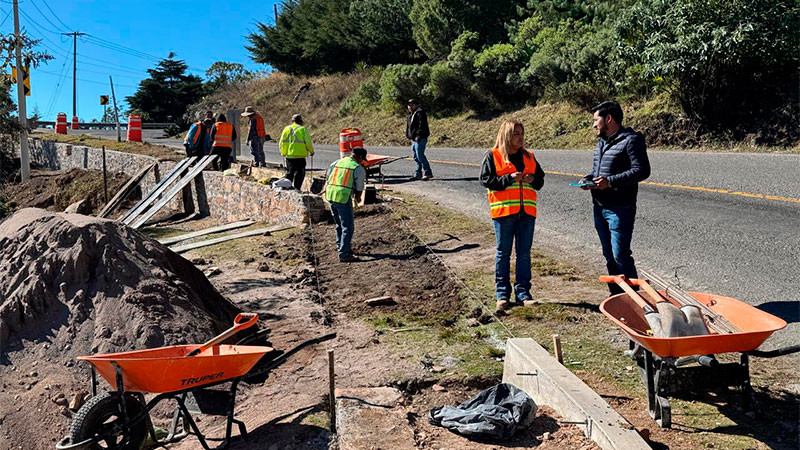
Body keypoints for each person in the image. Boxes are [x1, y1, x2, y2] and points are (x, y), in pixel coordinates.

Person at [579, 101, 650, 295]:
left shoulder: (631, 140)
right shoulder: (601, 143)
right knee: (609, 255)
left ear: (608, 119)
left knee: (621, 255)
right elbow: (598, 171)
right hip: (599, 206)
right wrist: (589, 179)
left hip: (620, 208)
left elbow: (642, 171)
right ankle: (617, 296)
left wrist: (610, 182)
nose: (594, 125)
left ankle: (637, 300)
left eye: (596, 120)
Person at [480, 120, 545, 311]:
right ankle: (502, 295)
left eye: (522, 133)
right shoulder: (493, 155)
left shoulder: (530, 156)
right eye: (516, 133)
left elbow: (540, 181)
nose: (521, 137)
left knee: (524, 254)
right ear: (506, 135)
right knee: (503, 253)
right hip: (504, 212)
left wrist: (533, 180)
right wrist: (508, 179)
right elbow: (486, 180)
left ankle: (523, 294)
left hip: (527, 212)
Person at [325, 146, 367, 263]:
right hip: (342, 197)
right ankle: (344, 254)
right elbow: (359, 187)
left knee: (339, 224)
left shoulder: (338, 162)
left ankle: (341, 246)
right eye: (362, 159)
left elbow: (328, 175)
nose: (361, 161)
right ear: (359, 157)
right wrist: (358, 197)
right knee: (348, 226)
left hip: (331, 195)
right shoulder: (356, 168)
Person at [279, 114, 314, 190]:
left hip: (289, 156)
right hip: (300, 156)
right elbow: (308, 142)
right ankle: (297, 189)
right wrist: (311, 151)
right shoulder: (302, 129)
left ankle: (286, 188)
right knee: (300, 174)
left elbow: (282, 142)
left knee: (289, 173)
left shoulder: (286, 129)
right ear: (301, 121)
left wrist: (283, 152)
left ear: (292, 121)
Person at [406, 99, 432, 180]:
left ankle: (428, 172)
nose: (410, 106)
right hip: (414, 139)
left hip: (420, 138)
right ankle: (418, 173)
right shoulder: (411, 114)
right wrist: (408, 135)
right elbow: (409, 127)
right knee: (415, 156)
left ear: (416, 105)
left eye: (412, 104)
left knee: (420, 155)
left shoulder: (420, 113)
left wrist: (419, 136)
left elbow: (422, 126)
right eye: (409, 105)